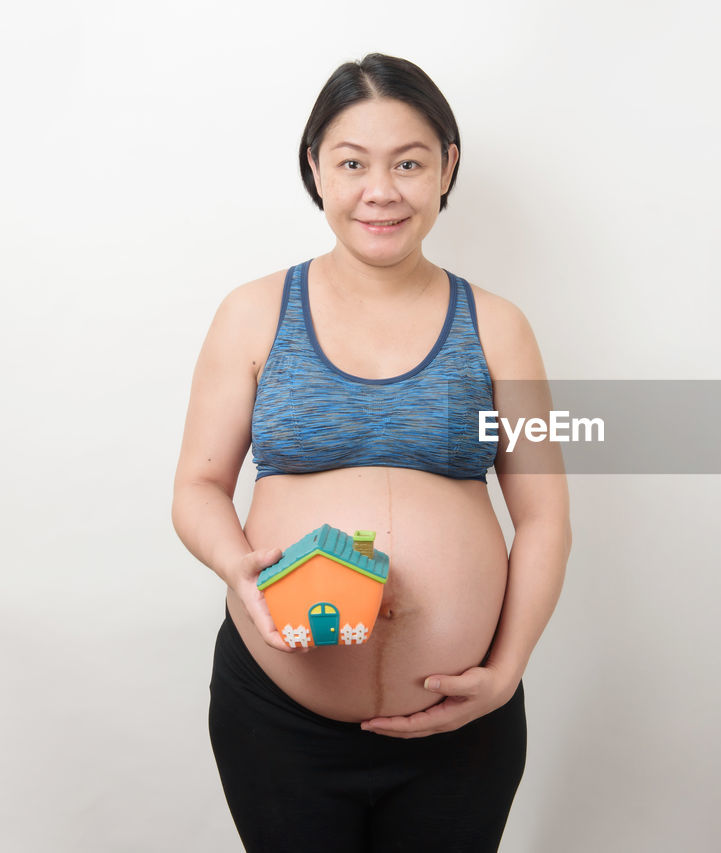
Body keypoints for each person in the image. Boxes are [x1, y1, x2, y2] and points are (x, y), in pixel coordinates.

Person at [171, 53, 571, 852]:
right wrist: (238, 567)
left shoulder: (500, 326)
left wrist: (504, 672)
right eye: (352, 163)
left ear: (447, 167)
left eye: (409, 163)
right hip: (281, 722)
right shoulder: (252, 314)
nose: (380, 190)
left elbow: (546, 517)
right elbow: (198, 486)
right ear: (316, 168)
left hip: (463, 728)